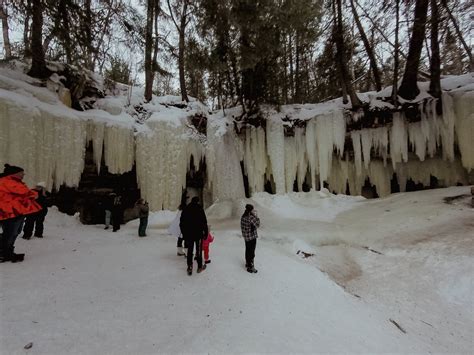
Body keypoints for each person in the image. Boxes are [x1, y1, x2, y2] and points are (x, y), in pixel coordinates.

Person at [0, 164, 41, 262]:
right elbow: (24, 192)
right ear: (15, 174)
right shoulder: (7, 181)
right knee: (10, 233)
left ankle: (7, 252)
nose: (23, 175)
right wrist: (35, 192)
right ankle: (3, 253)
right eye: (21, 173)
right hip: (9, 212)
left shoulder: (12, 181)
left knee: (14, 232)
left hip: (14, 212)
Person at [180, 196, 208, 275]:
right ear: (198, 201)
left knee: (190, 250)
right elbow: (204, 222)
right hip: (198, 234)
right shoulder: (200, 209)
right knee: (198, 250)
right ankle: (199, 266)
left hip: (189, 234)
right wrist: (205, 232)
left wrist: (184, 233)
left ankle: (189, 266)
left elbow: (182, 223)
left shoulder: (186, 209)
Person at [240, 204, 260, 273]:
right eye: (252, 210)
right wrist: (256, 217)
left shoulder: (243, 216)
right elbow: (258, 225)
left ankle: (247, 263)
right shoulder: (251, 217)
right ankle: (250, 267)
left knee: (247, 250)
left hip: (246, 237)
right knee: (252, 251)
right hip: (252, 237)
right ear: (250, 210)